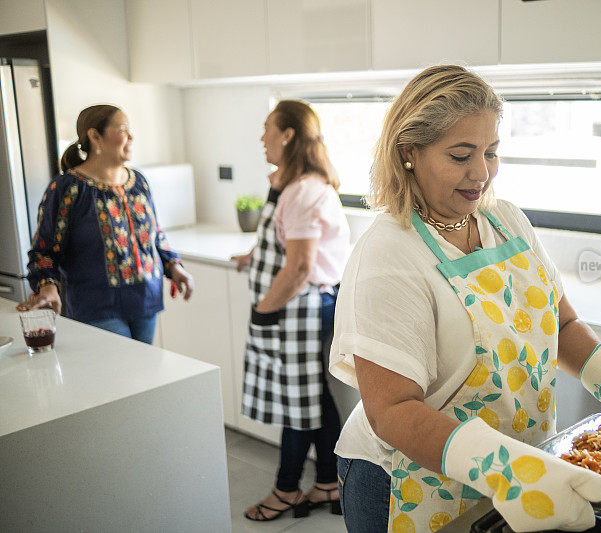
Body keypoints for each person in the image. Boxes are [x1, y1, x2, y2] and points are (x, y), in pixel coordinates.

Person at [329, 65, 601, 533]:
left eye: (491, 152)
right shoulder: (388, 252)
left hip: (523, 465)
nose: (481, 172)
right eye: (461, 155)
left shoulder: (504, 219)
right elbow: (393, 411)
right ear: (409, 153)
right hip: (413, 479)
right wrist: (504, 469)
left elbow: (561, 325)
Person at [233, 100, 350, 522]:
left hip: (298, 306)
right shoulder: (295, 184)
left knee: (298, 403)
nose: (261, 137)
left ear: (287, 135)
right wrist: (253, 256)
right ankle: (328, 483)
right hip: (305, 304)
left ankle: (285, 491)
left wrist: (264, 310)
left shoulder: (302, 192)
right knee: (312, 396)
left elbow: (300, 266)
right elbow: (281, 240)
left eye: (268, 128)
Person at [16, 104, 193, 344]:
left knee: (145, 377)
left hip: (146, 301)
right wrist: (47, 287)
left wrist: (174, 267)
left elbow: (155, 234)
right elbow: (44, 250)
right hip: (96, 307)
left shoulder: (138, 181)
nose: (131, 137)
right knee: (121, 376)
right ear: (95, 136)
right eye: (122, 129)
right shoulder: (68, 188)